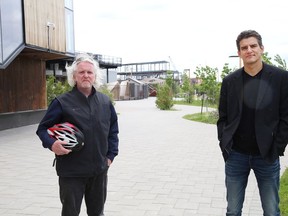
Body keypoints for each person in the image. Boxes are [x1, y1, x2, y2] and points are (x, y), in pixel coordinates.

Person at [36, 53, 119, 216]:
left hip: (99, 171)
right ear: (74, 76)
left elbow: (113, 131)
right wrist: (52, 144)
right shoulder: (61, 102)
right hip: (71, 172)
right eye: (81, 72)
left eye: (89, 72)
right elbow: (42, 129)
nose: (86, 75)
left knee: (97, 213)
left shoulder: (105, 102)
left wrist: (110, 156)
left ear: (95, 76)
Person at [217, 30, 288, 215]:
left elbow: (285, 117)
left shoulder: (281, 78)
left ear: (262, 49)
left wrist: (277, 147)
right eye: (244, 48)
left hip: (267, 155)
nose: (249, 50)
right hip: (236, 156)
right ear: (239, 53)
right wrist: (224, 144)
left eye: (253, 46)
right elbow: (223, 117)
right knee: (233, 210)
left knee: (271, 210)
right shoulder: (229, 81)